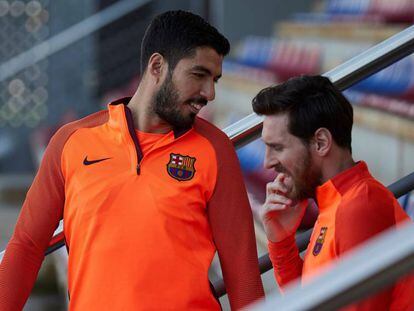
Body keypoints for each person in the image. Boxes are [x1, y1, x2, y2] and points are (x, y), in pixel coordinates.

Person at [0, 10, 264, 310]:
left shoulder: (215, 149)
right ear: (157, 66)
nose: (210, 93)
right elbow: (26, 246)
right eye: (199, 75)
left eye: (215, 79)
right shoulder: (71, 141)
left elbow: (242, 273)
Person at [252, 75, 414, 310]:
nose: (267, 163)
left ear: (320, 142)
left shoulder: (359, 207)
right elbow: (310, 298)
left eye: (277, 147)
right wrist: (281, 241)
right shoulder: (335, 201)